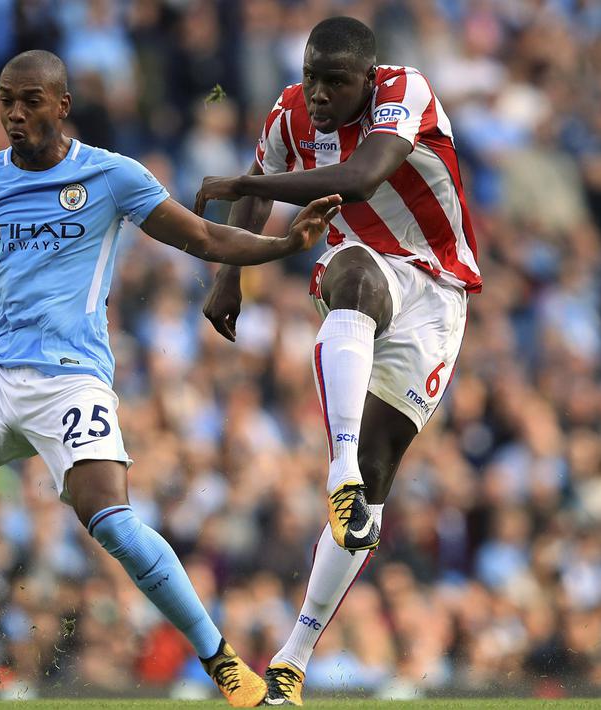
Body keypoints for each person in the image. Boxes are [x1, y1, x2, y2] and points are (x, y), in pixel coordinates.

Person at [0, 50, 340, 708]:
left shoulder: (112, 176)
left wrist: (285, 246)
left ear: (61, 105)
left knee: (114, 524)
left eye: (29, 100)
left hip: (72, 379)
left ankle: (225, 665)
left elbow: (203, 239)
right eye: (6, 99)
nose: (14, 112)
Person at [192, 17, 481, 706]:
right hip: (366, 267)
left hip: (437, 293)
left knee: (379, 480)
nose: (317, 93)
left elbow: (360, 177)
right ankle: (338, 469)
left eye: (334, 81)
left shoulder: (405, 90)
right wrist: (227, 276)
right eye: (311, 75)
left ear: (367, 76)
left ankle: (291, 662)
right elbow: (260, 186)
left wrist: (240, 180)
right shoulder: (289, 112)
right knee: (349, 273)